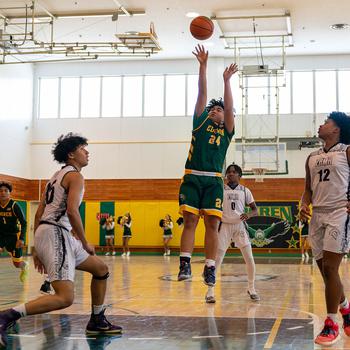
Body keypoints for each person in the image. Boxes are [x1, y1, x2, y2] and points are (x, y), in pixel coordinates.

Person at [0, 133, 122, 348]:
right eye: (83, 149)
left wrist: (37, 247)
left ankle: (97, 320)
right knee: (65, 298)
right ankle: (7, 315)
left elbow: (39, 213)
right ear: (71, 154)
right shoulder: (75, 176)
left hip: (55, 232)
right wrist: (84, 241)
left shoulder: (56, 175)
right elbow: (72, 211)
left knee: (100, 269)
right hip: (57, 233)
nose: (87, 152)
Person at [178, 44, 237, 286]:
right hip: (192, 176)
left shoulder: (227, 130)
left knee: (212, 224)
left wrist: (227, 81)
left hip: (213, 179)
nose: (215, 111)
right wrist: (202, 66)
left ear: (225, 115)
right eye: (213, 108)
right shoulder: (199, 120)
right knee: (190, 221)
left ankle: (210, 267)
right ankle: (185, 264)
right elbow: (201, 93)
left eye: (219, 109)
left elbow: (230, 107)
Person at [299, 112, 350, 346]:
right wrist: (303, 204)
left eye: (327, 122)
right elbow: (308, 188)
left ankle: (332, 323)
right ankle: (346, 309)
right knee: (324, 271)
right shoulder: (311, 156)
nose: (321, 124)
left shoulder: (346, 151)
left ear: (336, 129)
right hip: (317, 215)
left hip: (339, 212)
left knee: (331, 267)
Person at [205, 164, 259, 303]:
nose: (230, 174)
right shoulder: (220, 189)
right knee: (217, 259)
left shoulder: (245, 190)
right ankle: (210, 292)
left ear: (239, 175)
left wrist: (249, 214)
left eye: (234, 172)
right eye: (229, 172)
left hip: (239, 226)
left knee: (249, 258)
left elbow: (255, 210)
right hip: (224, 226)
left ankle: (251, 288)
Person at [0, 181, 28, 283]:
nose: (2, 193)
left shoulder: (14, 205)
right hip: (2, 235)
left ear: (9, 193)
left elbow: (24, 223)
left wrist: (21, 238)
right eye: (1, 191)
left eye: (5, 191)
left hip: (13, 237)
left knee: (17, 264)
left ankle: (24, 266)